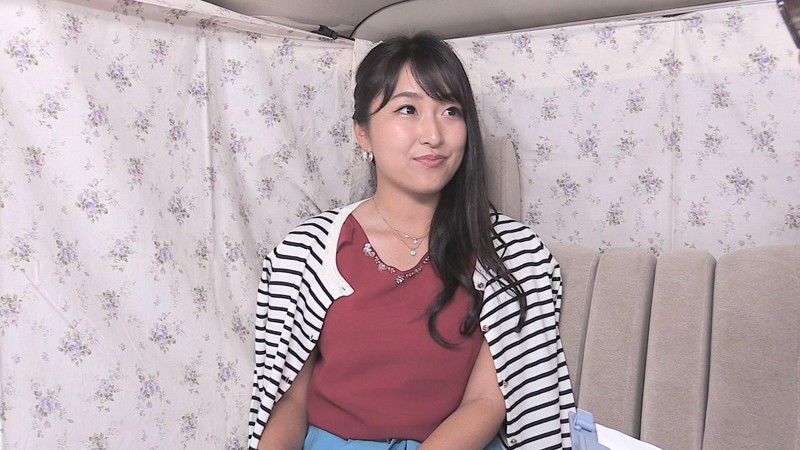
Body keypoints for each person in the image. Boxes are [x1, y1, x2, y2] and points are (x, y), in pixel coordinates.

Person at [248, 33, 575, 450]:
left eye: (451, 111)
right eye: (408, 109)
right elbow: (289, 402)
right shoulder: (305, 251)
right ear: (362, 133)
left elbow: (488, 401)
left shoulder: (514, 253)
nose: (433, 134)